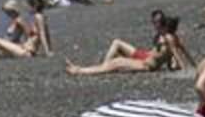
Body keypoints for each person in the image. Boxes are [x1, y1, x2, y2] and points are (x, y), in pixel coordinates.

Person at [65, 12, 194, 75]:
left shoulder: (168, 38)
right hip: (145, 63)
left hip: (146, 65)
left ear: (166, 27)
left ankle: (78, 70)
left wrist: (184, 70)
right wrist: (194, 66)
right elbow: (183, 51)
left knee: (114, 64)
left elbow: (176, 53)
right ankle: (79, 69)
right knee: (114, 63)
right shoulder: (173, 37)